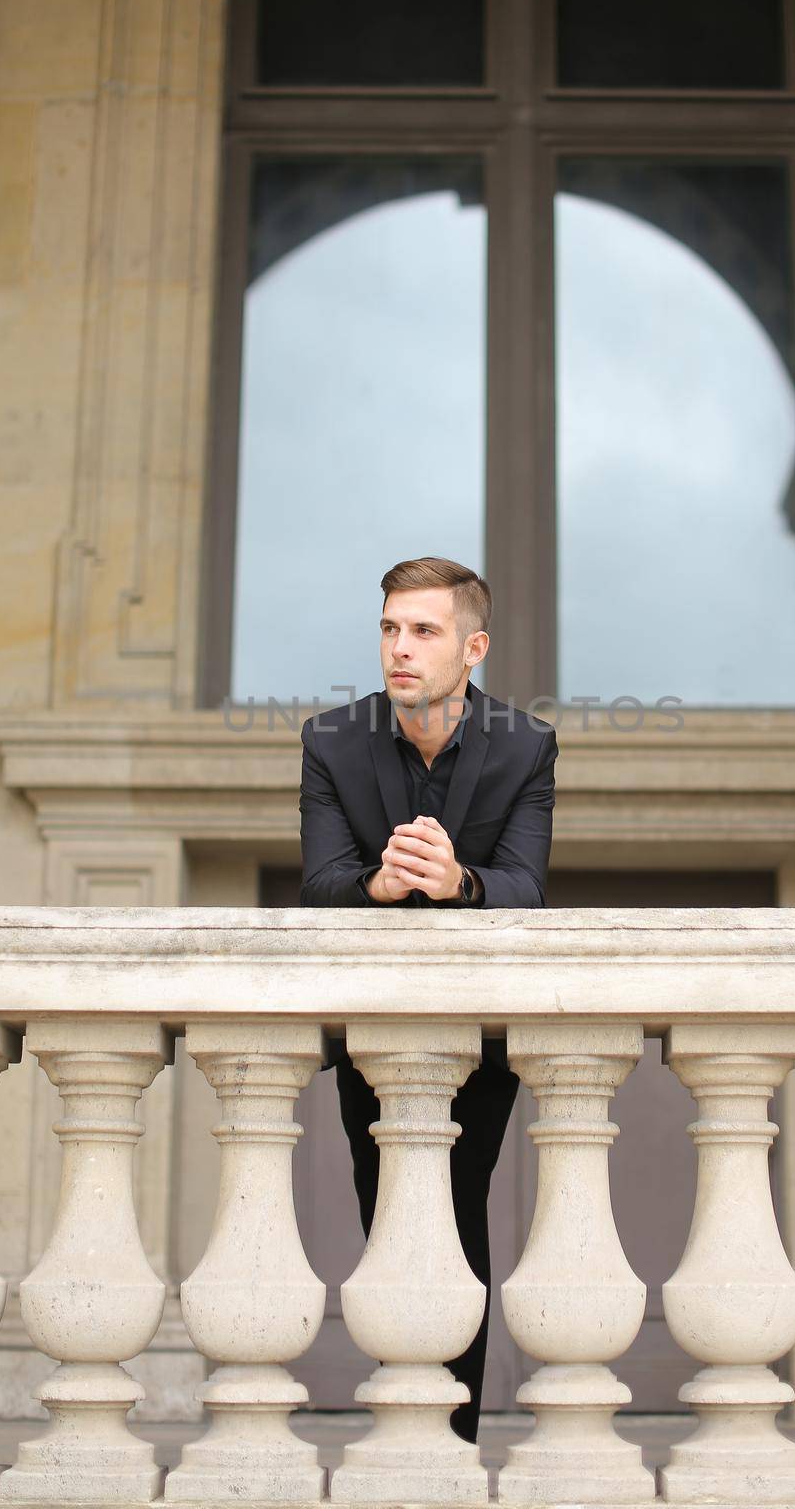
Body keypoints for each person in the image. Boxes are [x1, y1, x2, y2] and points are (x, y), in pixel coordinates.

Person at [298, 555, 558, 1443]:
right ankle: (400, 1420)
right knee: (387, 1222)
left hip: (473, 1030)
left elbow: (525, 886)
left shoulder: (525, 745)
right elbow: (320, 883)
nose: (398, 649)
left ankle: (451, 1440)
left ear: (471, 647)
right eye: (387, 629)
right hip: (371, 1027)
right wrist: (376, 885)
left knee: (458, 1218)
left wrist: (459, 883)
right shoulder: (330, 739)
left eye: (423, 631)